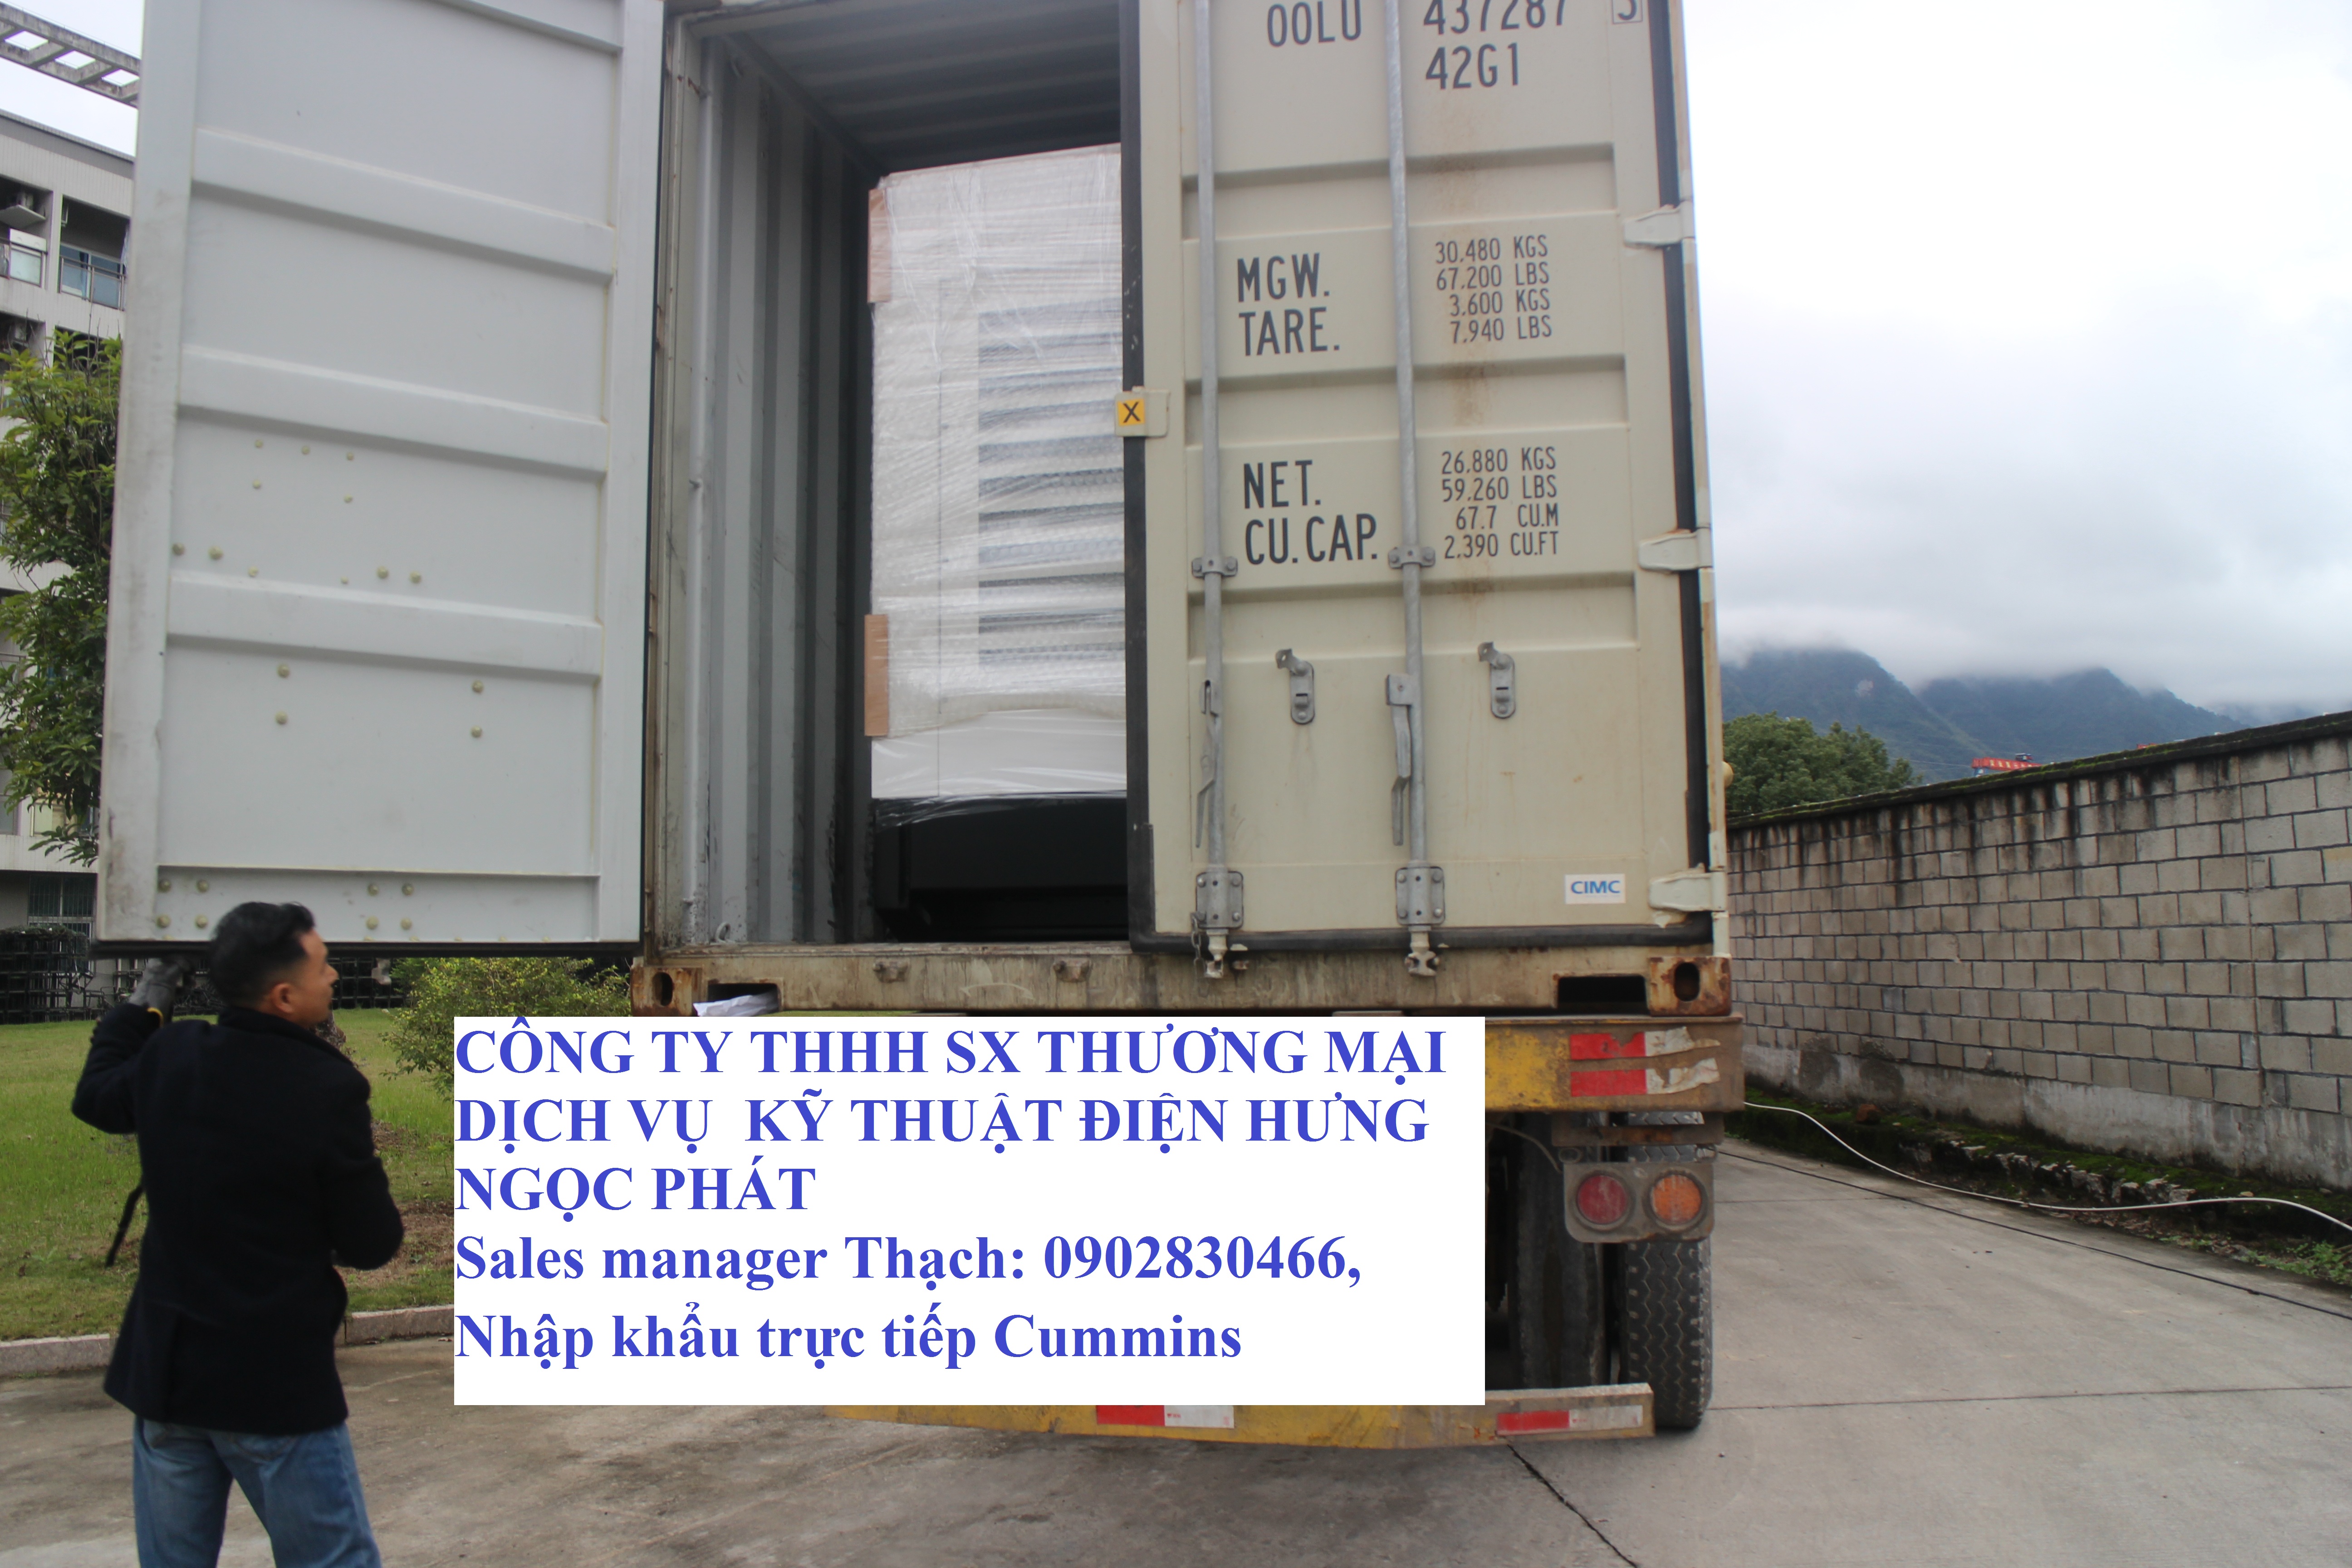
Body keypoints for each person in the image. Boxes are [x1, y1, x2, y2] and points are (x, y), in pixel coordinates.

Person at [73, 902, 402, 1568]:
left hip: (166, 1381)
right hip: (272, 1385)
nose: (334, 975)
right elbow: (372, 1242)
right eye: (322, 966)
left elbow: (98, 1095)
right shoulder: (326, 1086)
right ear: (284, 996)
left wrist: (154, 990)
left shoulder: (174, 1055)